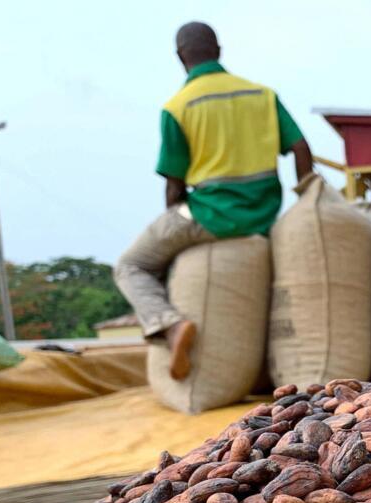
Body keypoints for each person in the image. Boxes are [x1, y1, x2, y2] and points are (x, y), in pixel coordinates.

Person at [114, 22, 312, 380]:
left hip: (207, 217)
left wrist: (173, 226)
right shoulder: (261, 94)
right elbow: (300, 148)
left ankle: (169, 324)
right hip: (263, 215)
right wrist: (305, 203)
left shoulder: (177, 107)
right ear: (219, 50)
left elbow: (174, 188)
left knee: (131, 265)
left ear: (180, 58)